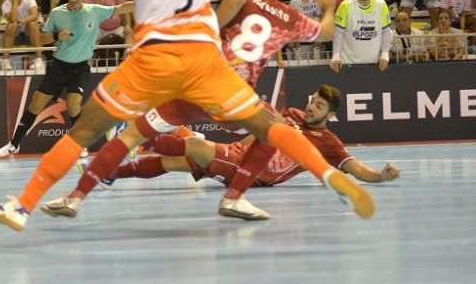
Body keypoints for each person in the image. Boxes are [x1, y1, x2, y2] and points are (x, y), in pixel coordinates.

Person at [0, 0, 371, 231]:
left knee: (87, 131)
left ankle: (26, 203)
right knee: (270, 126)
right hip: (206, 61)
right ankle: (324, 173)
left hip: (156, 59)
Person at [40, 0, 343, 222]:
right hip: (231, 95)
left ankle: (74, 198)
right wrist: (329, 6)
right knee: (273, 132)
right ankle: (234, 198)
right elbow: (327, 32)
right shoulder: (289, 16)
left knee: (132, 136)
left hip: (195, 83)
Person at [101, 85, 400, 220]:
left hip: (261, 175)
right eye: (313, 101)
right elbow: (261, 134)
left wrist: (380, 177)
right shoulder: (292, 113)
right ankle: (112, 171)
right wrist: (238, 148)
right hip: (240, 157)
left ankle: (134, 141)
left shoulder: (329, 142)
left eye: (320, 106)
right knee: (175, 162)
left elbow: (355, 168)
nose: (311, 107)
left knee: (193, 144)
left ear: (330, 114)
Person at [0, 0, 132, 157]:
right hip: (58, 67)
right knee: (36, 104)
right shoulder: (57, 13)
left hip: (80, 68)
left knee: (74, 106)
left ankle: (80, 145)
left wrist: (147, 0)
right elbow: (41, 39)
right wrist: (57, 36)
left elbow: (121, 8)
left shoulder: (94, 10)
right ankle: (14, 144)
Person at [330, 0, 391, 71]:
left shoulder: (381, 4)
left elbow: (386, 31)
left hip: (374, 63)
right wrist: (336, 56)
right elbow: (338, 32)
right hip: (348, 63)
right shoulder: (346, 5)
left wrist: (385, 54)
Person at [0, 0, 42, 67]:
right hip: (15, 35)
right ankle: (5, 61)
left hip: (29, 32)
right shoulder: (5, 4)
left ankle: (39, 59)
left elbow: (35, 15)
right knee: (11, 25)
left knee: (32, 24)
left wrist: (23, 21)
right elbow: (12, 19)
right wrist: (14, 1)